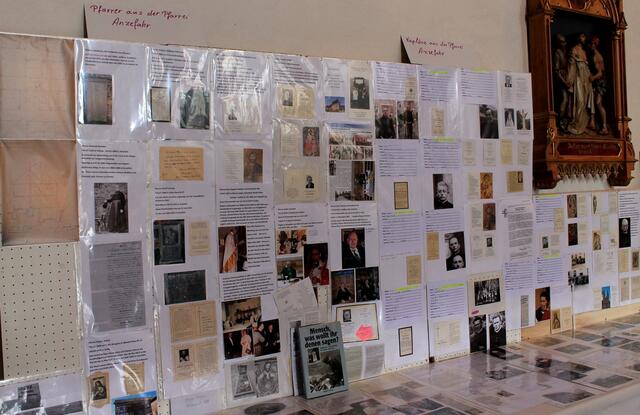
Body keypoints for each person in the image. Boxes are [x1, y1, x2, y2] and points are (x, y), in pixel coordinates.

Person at [566, 33, 593, 135]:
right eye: (582, 36)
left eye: (585, 37)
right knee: (580, 101)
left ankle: (583, 124)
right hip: (578, 77)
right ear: (578, 38)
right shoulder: (574, 49)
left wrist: (590, 76)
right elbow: (571, 64)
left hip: (585, 78)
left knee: (585, 101)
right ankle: (576, 124)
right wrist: (569, 79)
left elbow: (586, 65)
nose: (584, 38)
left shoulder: (584, 51)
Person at [588, 36, 608, 135]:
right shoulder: (593, 55)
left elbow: (600, 73)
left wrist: (593, 78)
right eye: (590, 44)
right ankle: (595, 123)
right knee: (595, 102)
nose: (591, 46)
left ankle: (604, 127)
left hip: (600, 82)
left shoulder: (597, 56)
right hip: (598, 82)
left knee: (598, 103)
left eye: (592, 44)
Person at [553, 34, 571, 125]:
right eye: (561, 42)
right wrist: (564, 82)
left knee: (569, 101)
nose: (564, 44)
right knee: (564, 99)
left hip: (568, 77)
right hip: (561, 79)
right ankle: (560, 121)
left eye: (564, 42)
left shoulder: (566, 52)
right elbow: (557, 71)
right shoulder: (557, 52)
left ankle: (567, 120)